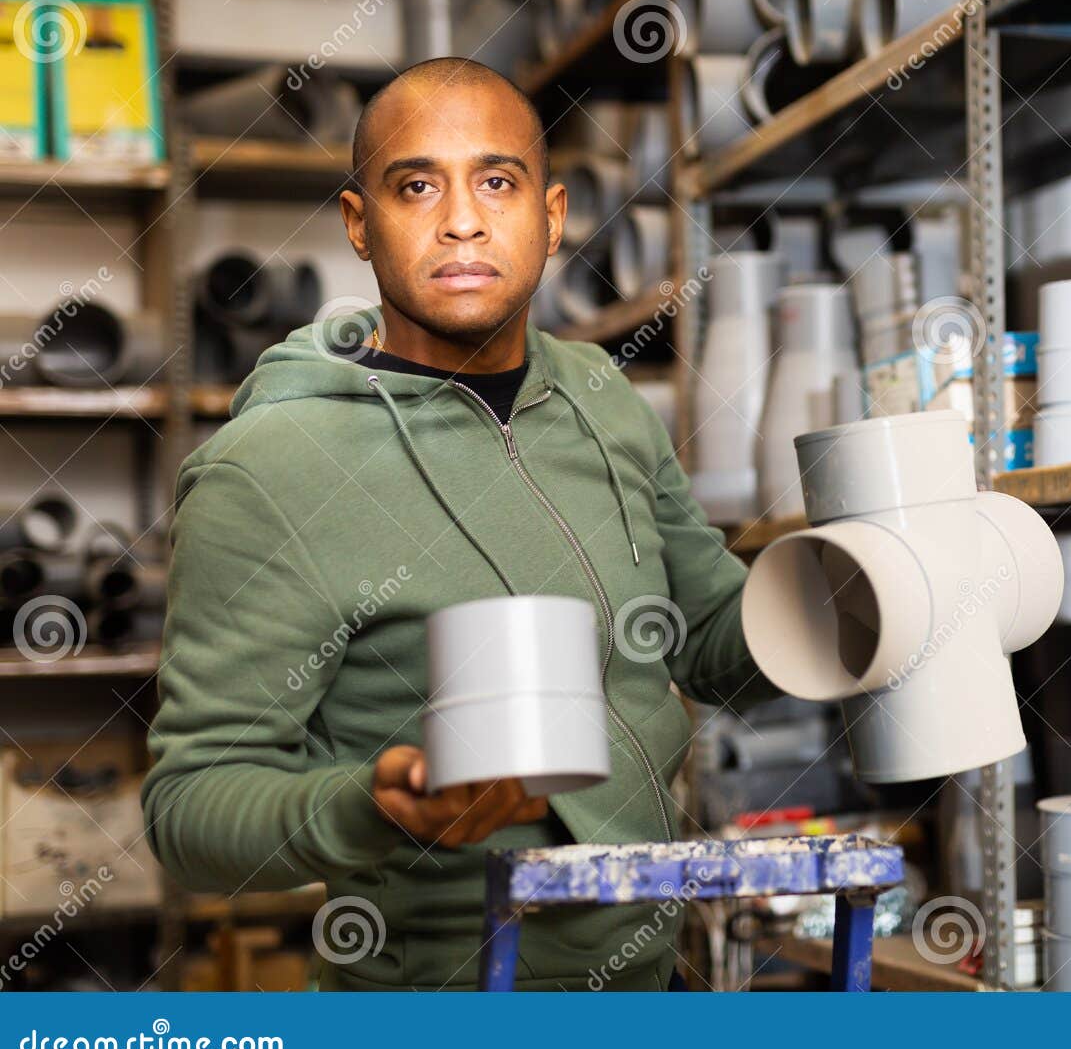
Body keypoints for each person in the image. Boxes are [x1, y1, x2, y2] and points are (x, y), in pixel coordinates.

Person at [142, 57, 779, 991]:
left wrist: (852, 590)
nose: (463, 220)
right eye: (415, 185)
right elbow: (189, 808)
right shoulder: (272, 466)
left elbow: (717, 643)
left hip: (655, 985)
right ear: (360, 225)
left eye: (495, 180)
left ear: (551, 215)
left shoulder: (606, 401)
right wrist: (371, 805)